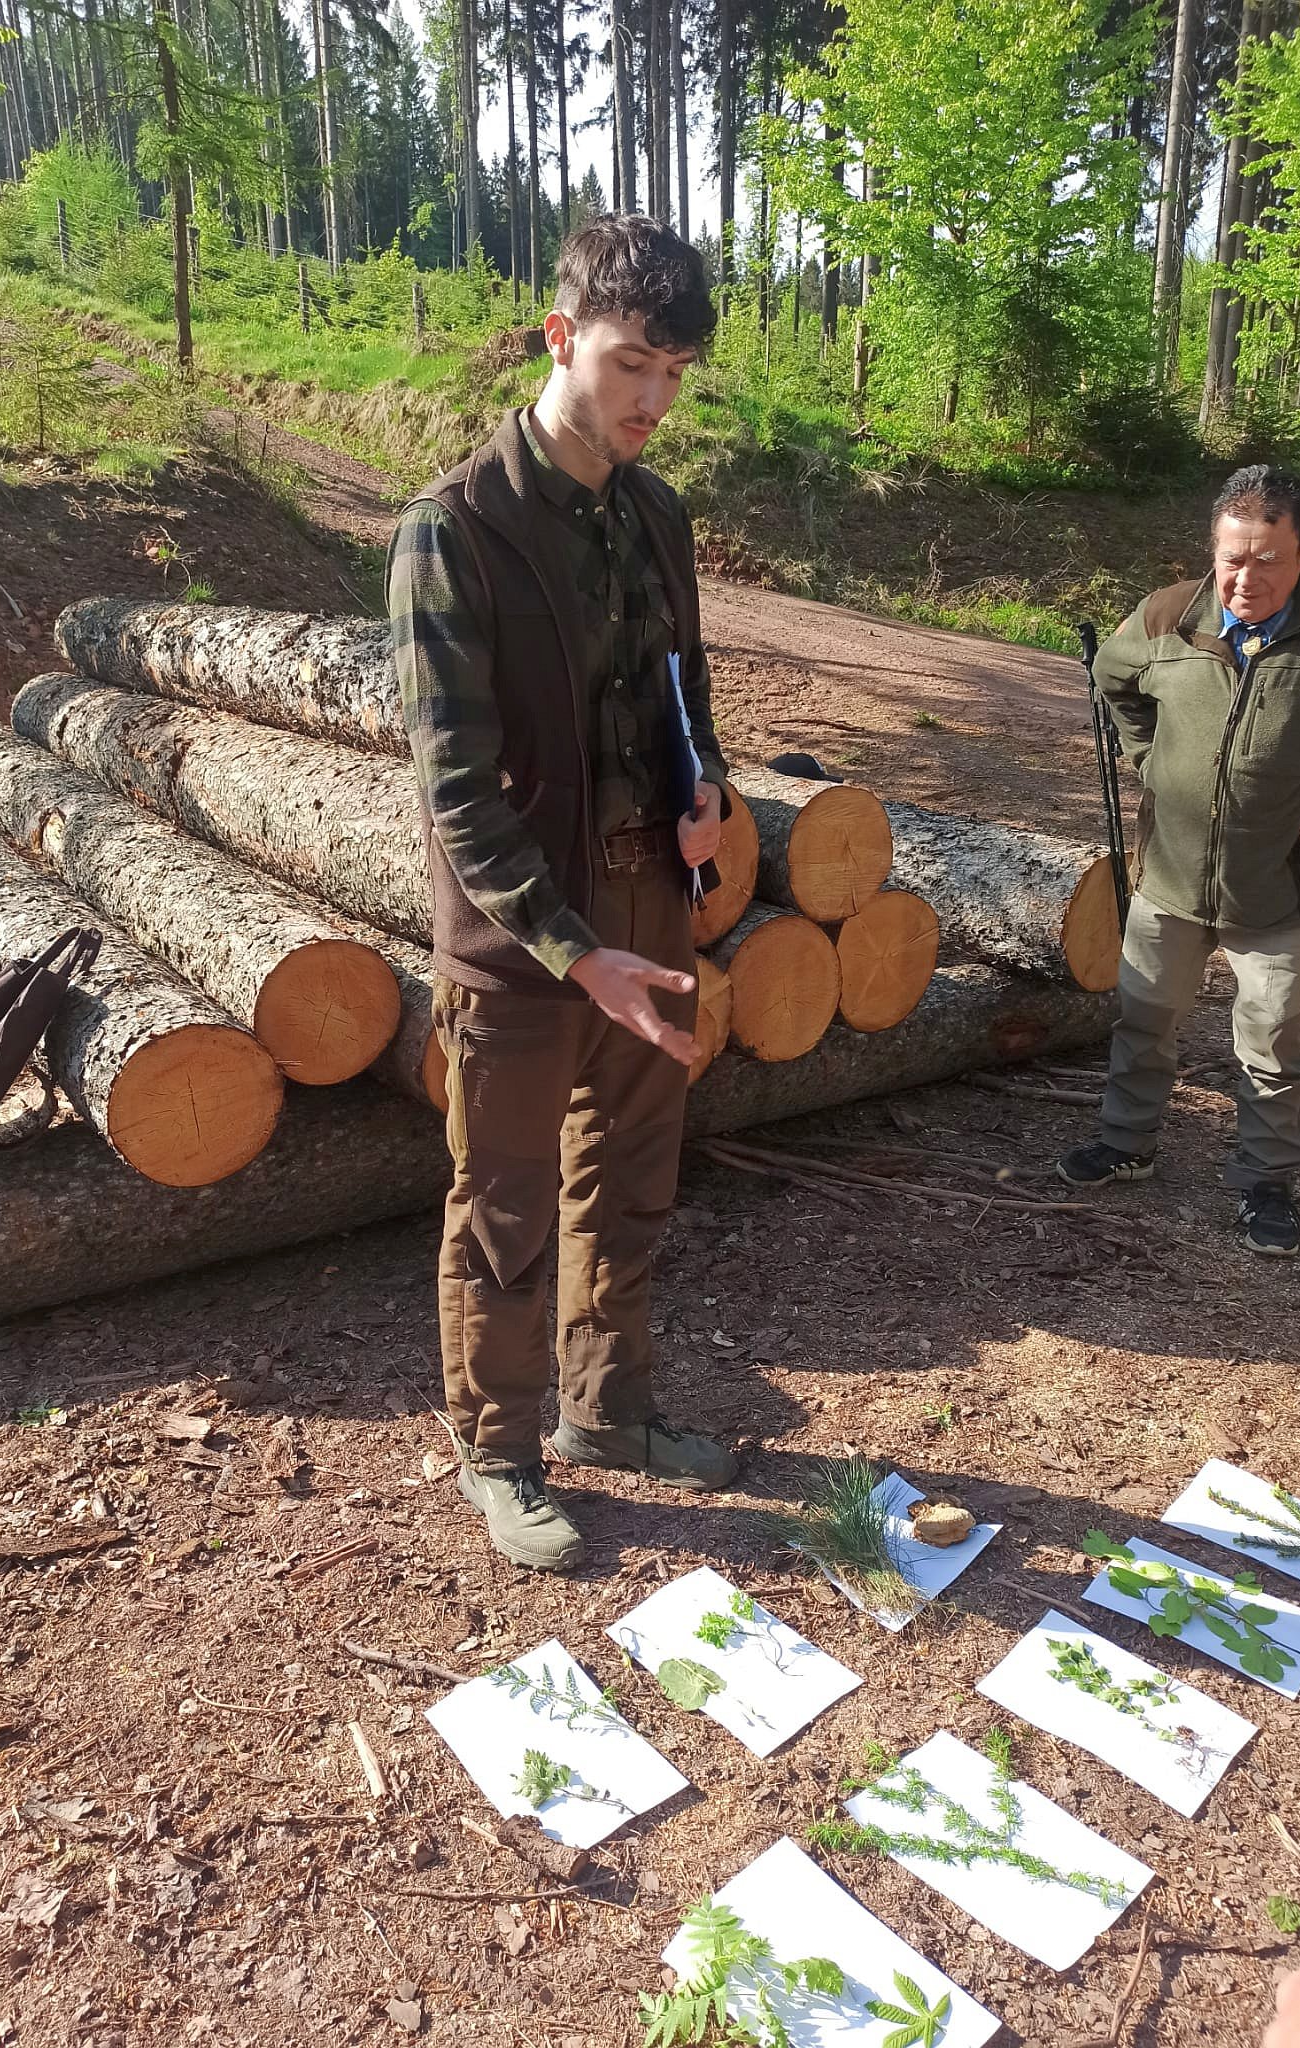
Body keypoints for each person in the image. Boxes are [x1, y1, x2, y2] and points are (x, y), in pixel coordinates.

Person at [386, 214, 739, 1574]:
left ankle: (610, 1412)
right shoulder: (453, 529)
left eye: (675, 373)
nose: (653, 399)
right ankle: (498, 1449)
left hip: (652, 908)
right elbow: (455, 793)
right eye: (630, 362)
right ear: (560, 337)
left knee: (631, 1183)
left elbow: (688, 699)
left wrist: (711, 791)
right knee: (505, 1208)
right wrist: (571, 949)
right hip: (520, 944)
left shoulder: (658, 516)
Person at [1059, 465, 1300, 1257]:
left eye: (1267, 560)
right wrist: (1149, 757)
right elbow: (1112, 679)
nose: (1244, 579)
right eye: (1230, 559)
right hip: (1171, 872)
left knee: (1272, 1038)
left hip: (1281, 882)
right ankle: (1126, 1145)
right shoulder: (1168, 615)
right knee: (1143, 1017)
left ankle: (1265, 1182)